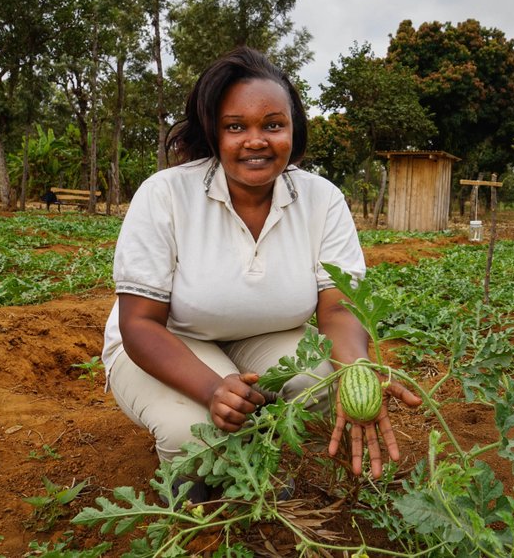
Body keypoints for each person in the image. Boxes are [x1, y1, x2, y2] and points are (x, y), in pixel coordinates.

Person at [101, 47, 421, 500]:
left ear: (293, 130)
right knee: (192, 431)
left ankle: (260, 458)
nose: (256, 140)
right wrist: (213, 388)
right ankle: (199, 482)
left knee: (322, 383)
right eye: (236, 127)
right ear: (215, 133)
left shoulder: (321, 199)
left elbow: (339, 308)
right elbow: (139, 324)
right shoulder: (166, 194)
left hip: (264, 337)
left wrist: (357, 371)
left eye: (273, 124)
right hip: (170, 340)